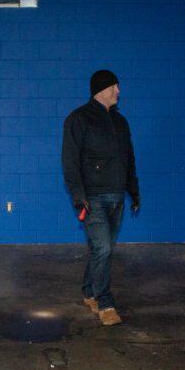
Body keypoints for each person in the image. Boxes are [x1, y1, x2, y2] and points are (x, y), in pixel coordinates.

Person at [62, 69, 141, 326]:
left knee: (101, 251)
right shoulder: (78, 119)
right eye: (115, 87)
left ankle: (88, 291)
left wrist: (134, 191)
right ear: (102, 89)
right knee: (104, 248)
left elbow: (128, 160)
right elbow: (70, 162)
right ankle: (105, 303)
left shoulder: (121, 123)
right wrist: (78, 195)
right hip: (92, 199)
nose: (118, 92)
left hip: (117, 197)